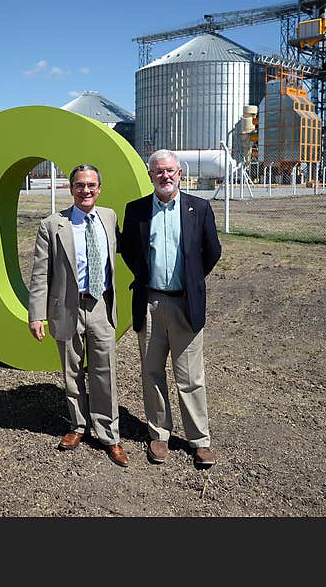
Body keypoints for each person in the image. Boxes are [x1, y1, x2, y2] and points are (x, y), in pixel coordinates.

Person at [120, 149, 222, 468]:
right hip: (149, 302)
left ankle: (199, 440)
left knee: (190, 376)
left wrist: (190, 280)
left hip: (185, 303)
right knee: (151, 373)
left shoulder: (199, 208)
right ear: (150, 176)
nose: (165, 176)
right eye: (158, 171)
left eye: (170, 170)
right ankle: (159, 434)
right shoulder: (136, 210)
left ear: (180, 173)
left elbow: (212, 252)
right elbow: (130, 253)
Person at [28, 164, 129, 468]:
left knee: (105, 372)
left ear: (99, 189)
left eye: (91, 185)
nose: (86, 190)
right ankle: (78, 426)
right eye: (80, 185)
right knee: (72, 372)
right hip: (67, 307)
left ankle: (109, 435)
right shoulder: (52, 225)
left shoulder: (109, 218)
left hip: (101, 306)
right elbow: (40, 274)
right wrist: (36, 314)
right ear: (70, 189)